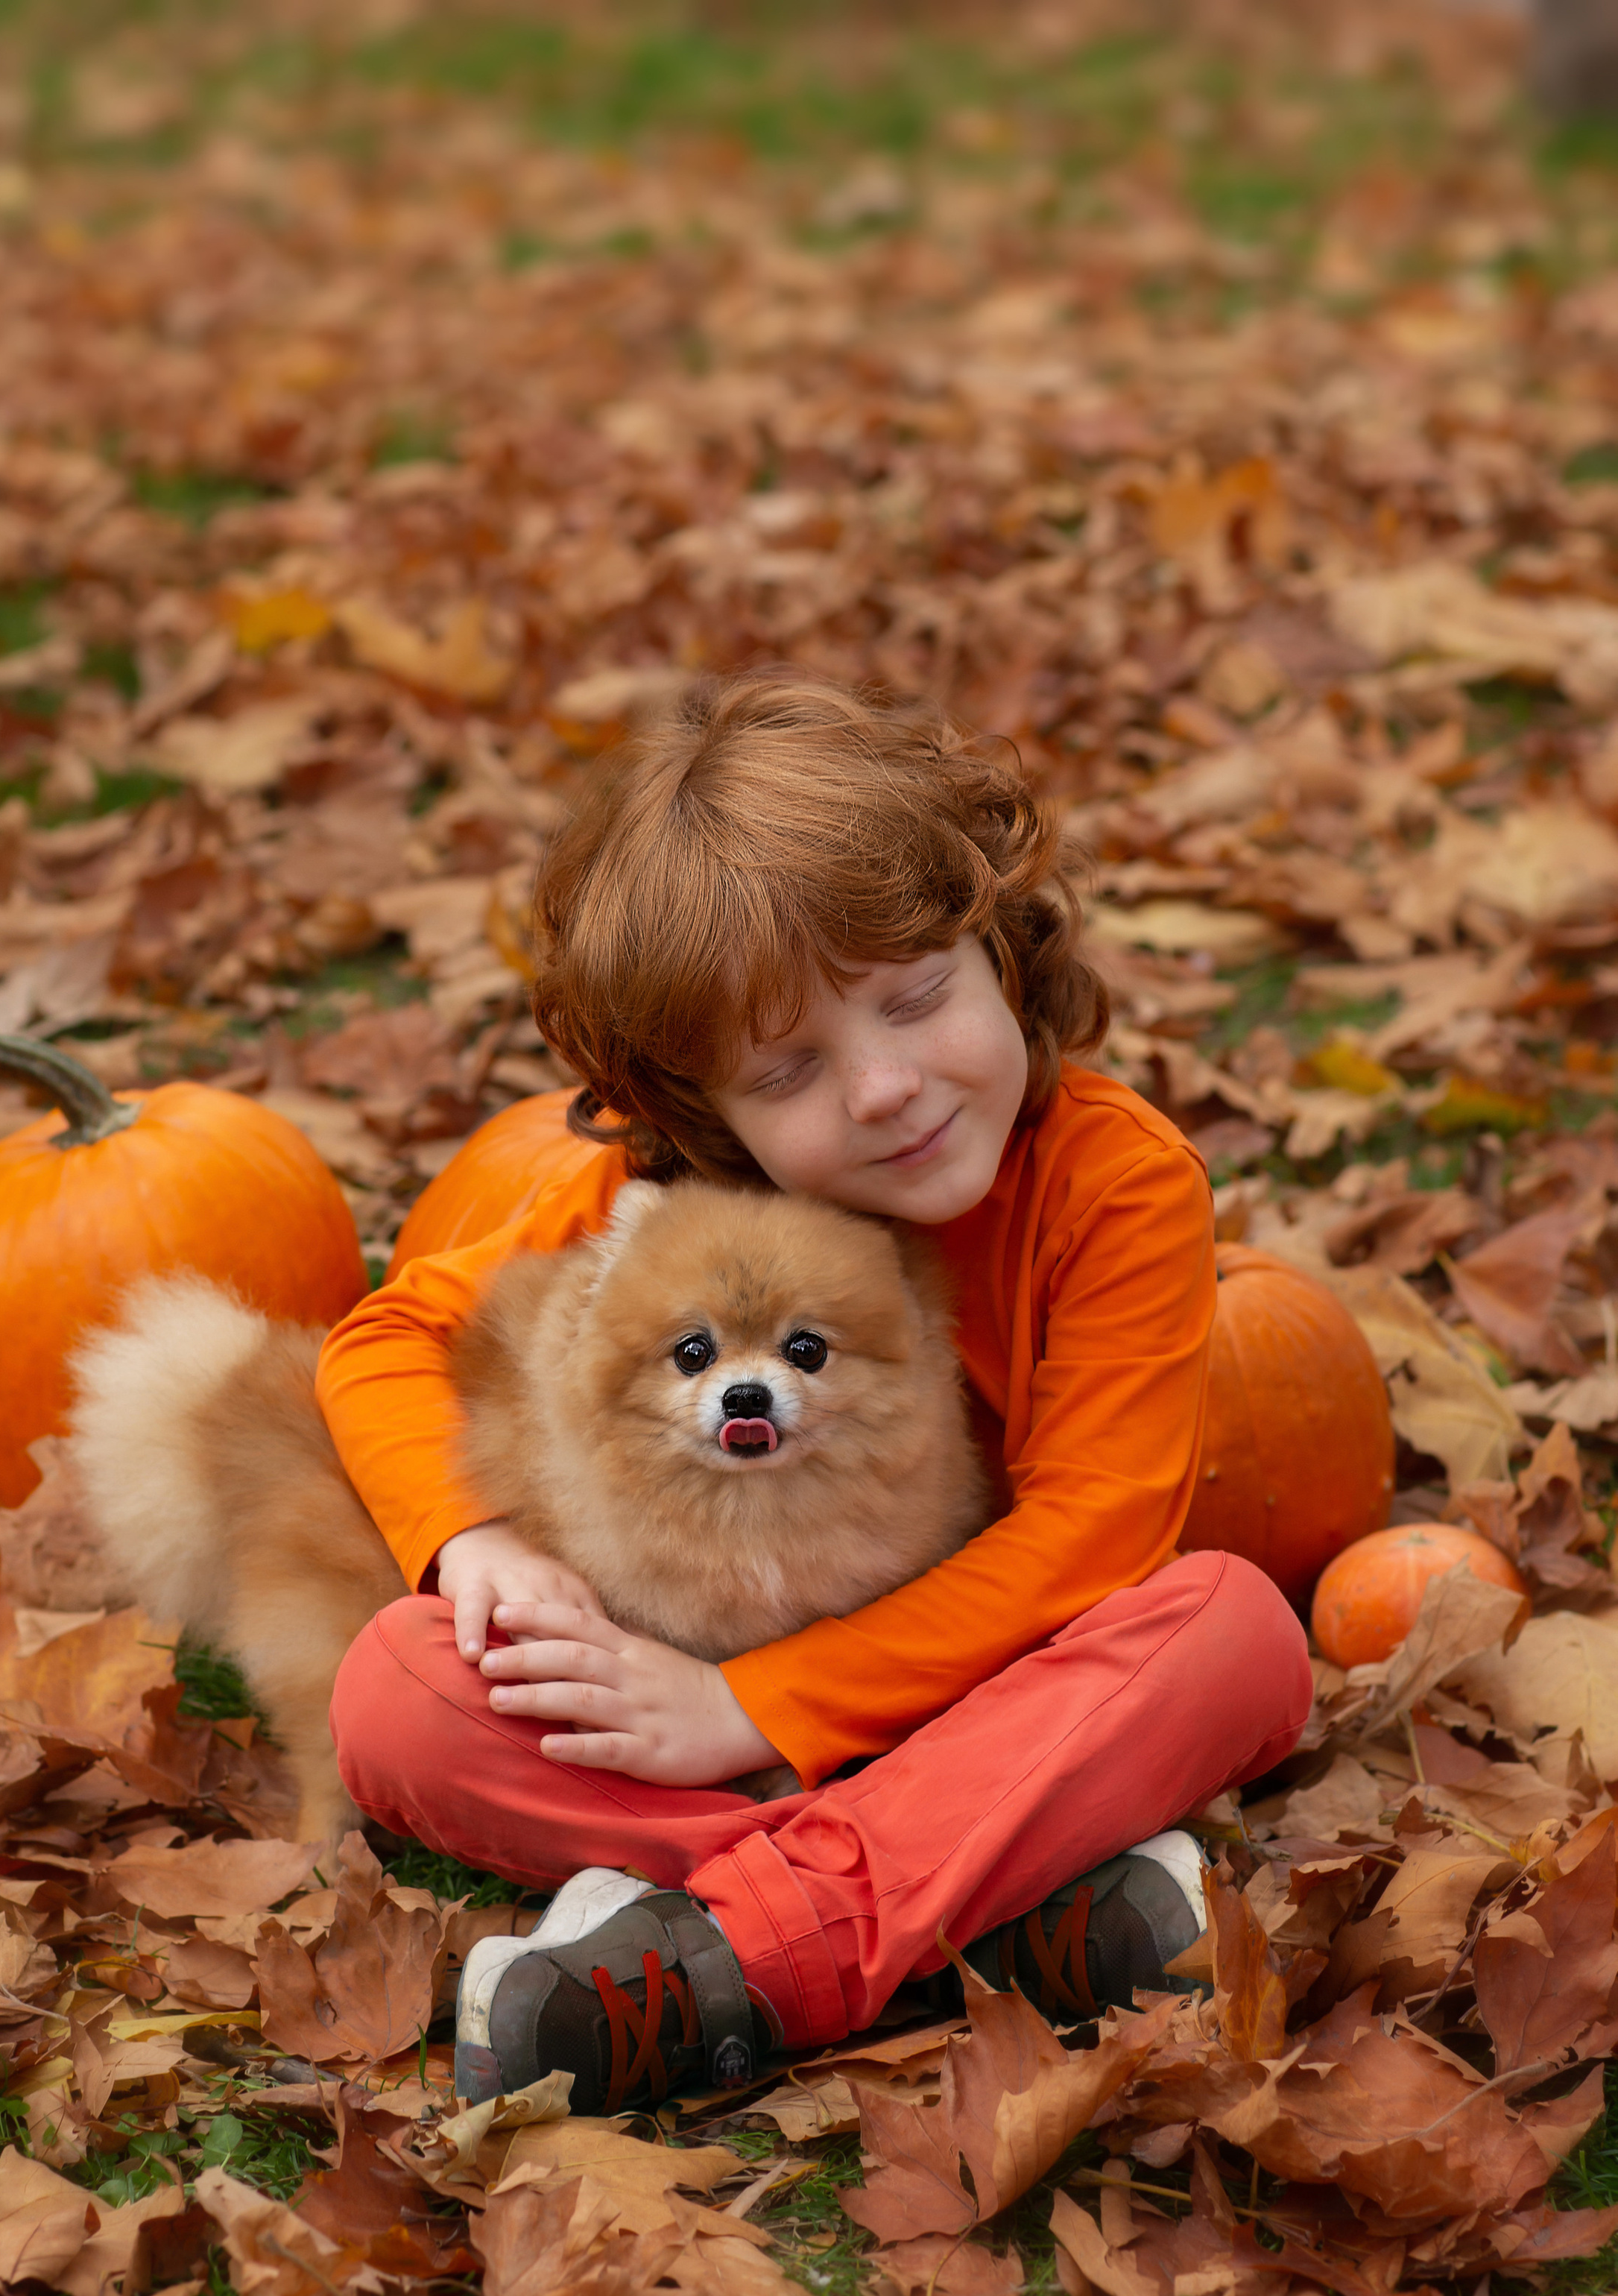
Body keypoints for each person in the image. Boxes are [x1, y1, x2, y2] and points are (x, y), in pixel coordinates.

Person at [315, 672, 1313, 2111]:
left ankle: (731, 1963)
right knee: (398, 1694)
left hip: (1002, 1689)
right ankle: (998, 1902)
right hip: (839, 1724)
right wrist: (482, 1548)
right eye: (792, 1070)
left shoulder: (1117, 1180)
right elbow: (382, 1340)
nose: (886, 1090)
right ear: (708, 1112)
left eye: (917, 1000)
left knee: (1232, 1633)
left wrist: (753, 1710)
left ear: (1002, 952)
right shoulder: (664, 1203)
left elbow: (1097, 1541)